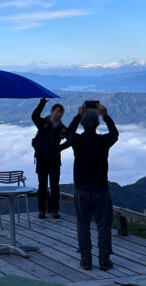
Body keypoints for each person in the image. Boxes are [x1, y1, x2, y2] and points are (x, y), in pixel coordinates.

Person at [65, 102, 119, 272]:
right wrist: (105, 115)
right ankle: (104, 261)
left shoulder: (77, 140)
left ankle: (85, 260)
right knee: (103, 225)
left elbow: (68, 133)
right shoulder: (103, 141)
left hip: (81, 189)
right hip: (101, 190)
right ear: (97, 124)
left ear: (82, 123)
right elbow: (115, 134)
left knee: (83, 224)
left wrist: (78, 115)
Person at [32, 98, 70, 219]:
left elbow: (71, 139)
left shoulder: (61, 127)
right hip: (42, 160)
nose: (57, 114)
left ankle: (54, 210)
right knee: (42, 186)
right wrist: (41, 104)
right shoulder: (42, 123)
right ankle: (42, 211)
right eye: (56, 111)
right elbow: (34, 116)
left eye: (60, 112)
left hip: (53, 161)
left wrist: (59, 148)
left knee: (54, 186)